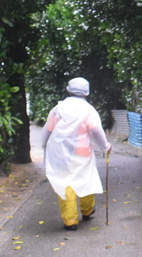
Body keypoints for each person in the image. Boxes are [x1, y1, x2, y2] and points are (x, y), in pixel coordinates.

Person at [41, 77, 112, 231]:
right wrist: (105, 147)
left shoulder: (58, 108)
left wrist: (43, 145)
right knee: (85, 179)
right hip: (82, 153)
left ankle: (70, 220)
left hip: (59, 152)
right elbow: (95, 131)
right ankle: (87, 210)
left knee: (65, 182)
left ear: (69, 90)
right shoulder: (89, 110)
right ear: (87, 92)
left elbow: (48, 129)